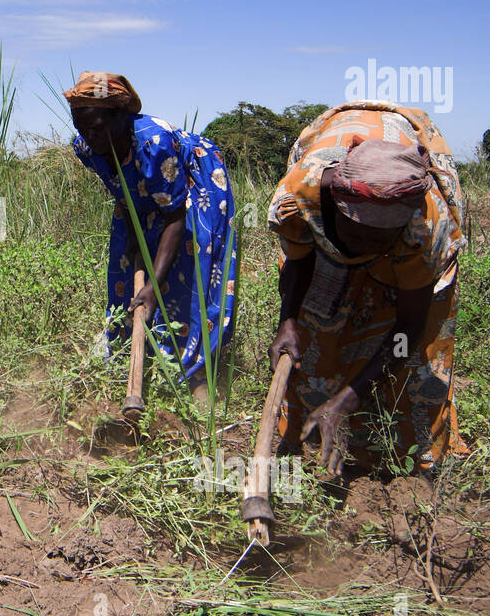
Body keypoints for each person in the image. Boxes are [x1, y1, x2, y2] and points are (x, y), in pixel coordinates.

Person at [267, 101, 469, 476]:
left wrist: (348, 398)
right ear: (336, 207)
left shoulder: (425, 230)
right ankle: (302, 435)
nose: (366, 245)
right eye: (356, 230)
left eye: (380, 238)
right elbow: (298, 260)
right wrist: (288, 322)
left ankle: (410, 460)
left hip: (410, 256)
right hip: (327, 218)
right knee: (317, 331)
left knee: (416, 359)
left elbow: (407, 331)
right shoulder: (301, 193)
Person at [67, 71, 237, 392]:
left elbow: (174, 218)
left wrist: (154, 287)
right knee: (125, 262)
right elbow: (122, 186)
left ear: (121, 116)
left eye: (97, 128)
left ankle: (192, 367)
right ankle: (127, 348)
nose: (90, 136)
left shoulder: (153, 144)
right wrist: (134, 235)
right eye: (81, 127)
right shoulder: (87, 147)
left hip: (192, 186)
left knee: (190, 264)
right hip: (140, 197)